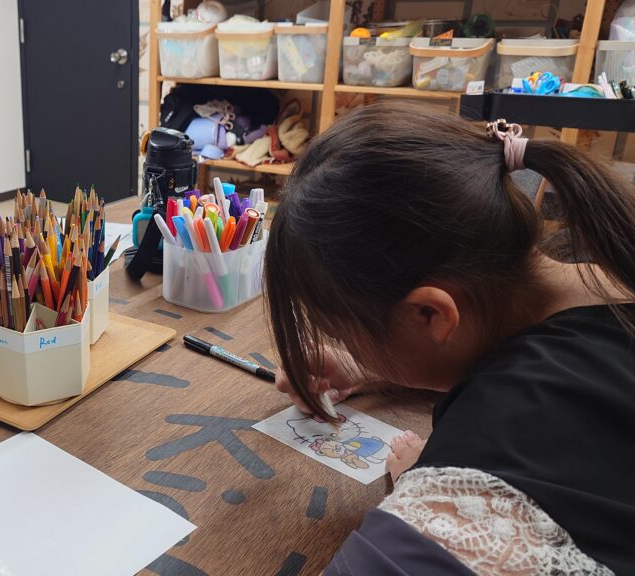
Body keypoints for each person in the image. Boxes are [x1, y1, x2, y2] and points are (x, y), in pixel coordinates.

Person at [265, 101, 633, 574]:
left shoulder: (495, 449)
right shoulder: (611, 277)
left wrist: (435, 492)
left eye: (346, 334)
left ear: (429, 314)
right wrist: (369, 366)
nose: (351, 349)